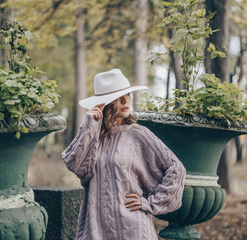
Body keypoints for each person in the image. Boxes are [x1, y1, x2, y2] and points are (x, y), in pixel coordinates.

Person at [62, 69, 186, 240]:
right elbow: (74, 163)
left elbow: (176, 169)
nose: (125, 100)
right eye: (118, 96)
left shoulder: (138, 134)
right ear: (105, 102)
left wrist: (151, 203)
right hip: (96, 228)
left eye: (127, 94)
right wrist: (90, 125)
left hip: (132, 229)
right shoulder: (94, 137)